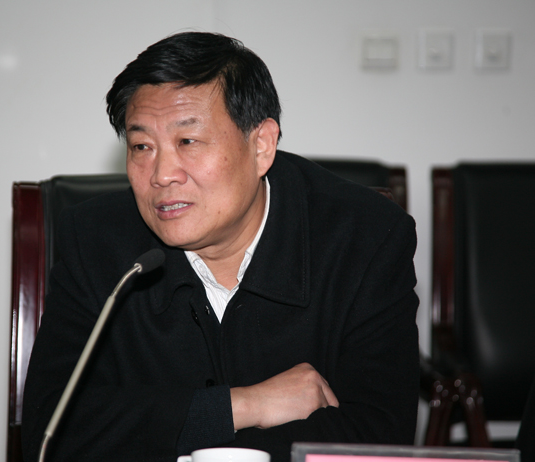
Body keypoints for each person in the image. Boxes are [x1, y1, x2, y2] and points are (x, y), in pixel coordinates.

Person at [22, 31, 420, 462]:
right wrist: (242, 406)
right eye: (142, 146)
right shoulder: (95, 242)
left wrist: (162, 432)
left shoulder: (366, 238)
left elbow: (379, 435)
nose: (162, 174)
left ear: (261, 145)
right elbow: (51, 431)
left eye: (187, 142)